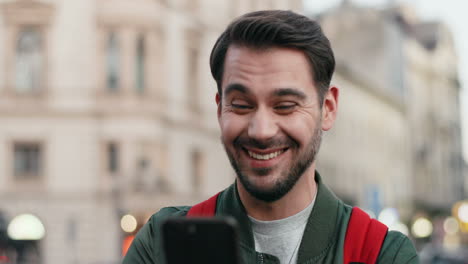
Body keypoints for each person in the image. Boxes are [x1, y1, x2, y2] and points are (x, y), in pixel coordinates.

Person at [123, 10, 418, 264]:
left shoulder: (383, 254)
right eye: (240, 105)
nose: (261, 130)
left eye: (285, 106)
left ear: (327, 109)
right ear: (219, 109)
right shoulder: (159, 244)